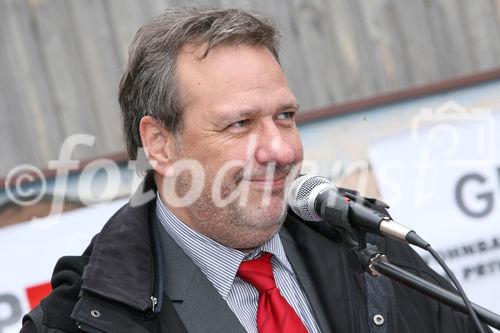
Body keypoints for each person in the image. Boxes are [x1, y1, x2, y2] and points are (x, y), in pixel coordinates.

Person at [22, 6, 489, 333]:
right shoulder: (78, 319)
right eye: (240, 123)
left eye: (284, 116)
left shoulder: (368, 246)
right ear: (159, 144)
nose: (280, 150)